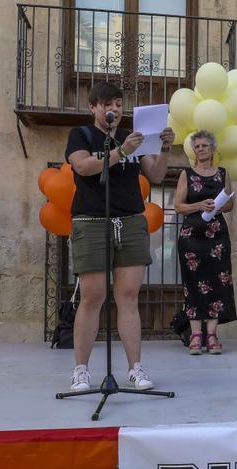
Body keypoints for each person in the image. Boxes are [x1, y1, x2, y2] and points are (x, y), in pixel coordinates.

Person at [64, 82, 175, 391]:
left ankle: (135, 369)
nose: (113, 109)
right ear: (93, 107)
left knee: (128, 296)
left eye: (118, 104)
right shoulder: (82, 135)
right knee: (92, 296)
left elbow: (154, 175)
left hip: (130, 220)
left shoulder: (130, 136)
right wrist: (119, 152)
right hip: (92, 221)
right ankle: (81, 370)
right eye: (106, 104)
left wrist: (164, 148)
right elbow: (84, 167)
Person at [174, 130, 237, 355]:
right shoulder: (187, 174)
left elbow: (230, 204)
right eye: (197, 146)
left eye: (204, 146)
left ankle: (212, 336)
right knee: (193, 285)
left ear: (213, 149)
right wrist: (200, 205)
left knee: (218, 282)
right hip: (192, 238)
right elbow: (179, 206)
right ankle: (195, 336)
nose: (201, 149)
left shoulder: (222, 173)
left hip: (217, 237)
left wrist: (218, 206)